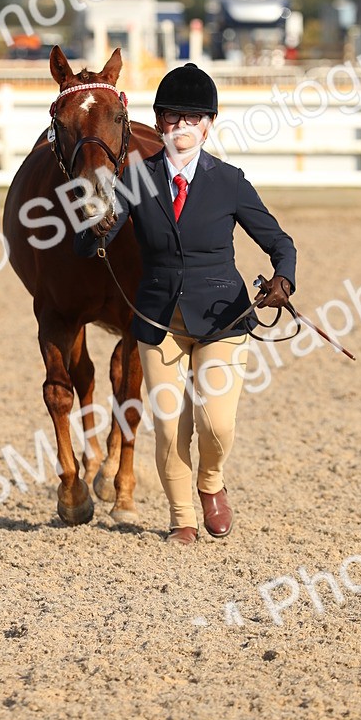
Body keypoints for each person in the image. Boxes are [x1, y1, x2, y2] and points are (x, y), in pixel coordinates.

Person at [73, 62, 297, 545]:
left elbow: (280, 242)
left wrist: (283, 280)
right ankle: (182, 518)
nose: (181, 129)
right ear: (159, 123)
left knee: (216, 424)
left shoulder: (229, 181)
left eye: (193, 120)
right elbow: (95, 239)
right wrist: (89, 229)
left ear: (208, 126)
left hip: (221, 317)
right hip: (158, 319)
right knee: (170, 424)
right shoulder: (135, 180)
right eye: (172, 119)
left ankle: (211, 483)